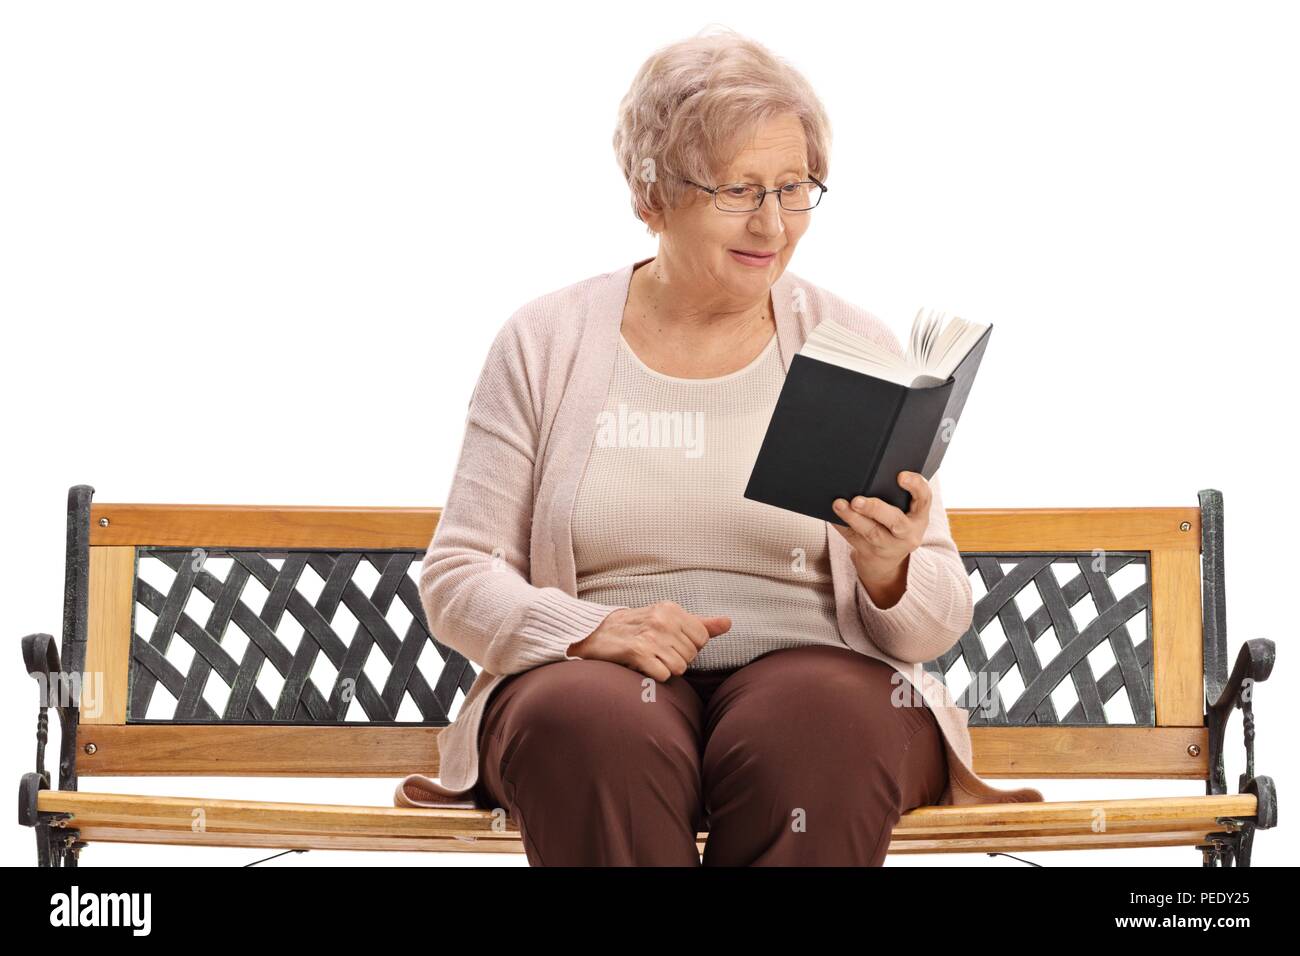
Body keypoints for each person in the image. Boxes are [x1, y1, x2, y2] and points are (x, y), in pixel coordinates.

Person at [397, 26, 1044, 865]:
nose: (773, 223)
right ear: (652, 196)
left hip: (817, 675)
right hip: (597, 680)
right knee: (593, 728)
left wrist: (890, 574)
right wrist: (588, 628)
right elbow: (457, 578)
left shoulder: (848, 340)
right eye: (739, 190)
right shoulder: (545, 342)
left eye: (795, 187)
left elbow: (937, 618)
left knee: (820, 735)